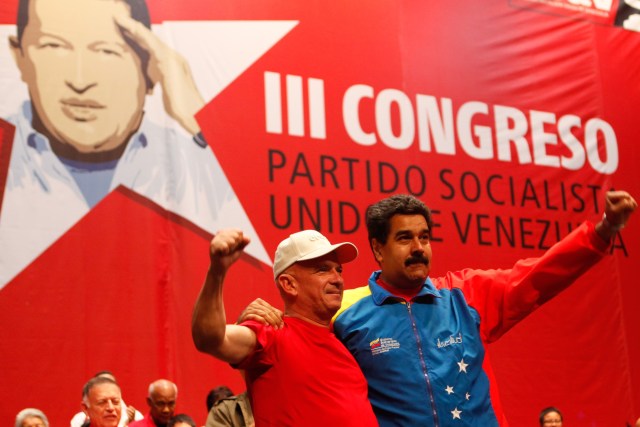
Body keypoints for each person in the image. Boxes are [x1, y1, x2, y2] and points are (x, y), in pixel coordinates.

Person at [239, 191, 637, 426]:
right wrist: (261, 317)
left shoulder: (466, 295)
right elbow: (296, 356)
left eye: (425, 237)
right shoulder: (345, 310)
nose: (418, 248)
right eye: (405, 238)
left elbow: (538, 276)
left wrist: (600, 232)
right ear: (377, 248)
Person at [0, 0, 267, 289]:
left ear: (151, 67)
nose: (80, 80)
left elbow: (264, 223)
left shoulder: (198, 168)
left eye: (107, 51)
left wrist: (197, 120)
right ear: (19, 56)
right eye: (54, 47)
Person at [191, 229, 378, 426]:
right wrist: (217, 272)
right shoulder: (270, 334)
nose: (338, 279)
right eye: (323, 269)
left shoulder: (344, 339)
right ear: (289, 284)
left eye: (338, 270)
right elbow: (210, 339)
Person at [71, 370, 144, 427]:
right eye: (102, 402)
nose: (111, 408)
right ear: (85, 408)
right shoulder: (79, 420)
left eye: (115, 402)